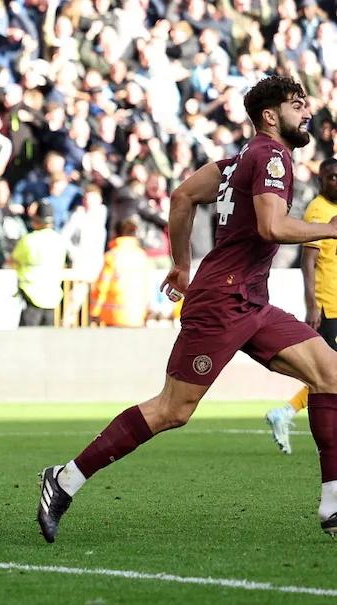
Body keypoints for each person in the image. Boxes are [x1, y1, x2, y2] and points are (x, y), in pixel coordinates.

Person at [36, 75, 337, 542]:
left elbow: (182, 196)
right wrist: (331, 230)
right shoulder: (270, 154)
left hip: (250, 300)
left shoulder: (239, 159)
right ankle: (64, 479)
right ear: (270, 116)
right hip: (223, 301)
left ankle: (333, 505)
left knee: (329, 374)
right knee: (172, 410)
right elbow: (272, 226)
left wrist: (181, 266)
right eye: (297, 104)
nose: (307, 111)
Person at [265, 156, 337, 454]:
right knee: (328, 372)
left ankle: (286, 412)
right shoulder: (318, 210)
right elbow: (308, 261)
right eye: (331, 176)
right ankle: (287, 412)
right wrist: (311, 305)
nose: (336, 180)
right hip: (328, 304)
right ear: (321, 180)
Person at [10, 201, 67, 327]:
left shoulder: (29, 240)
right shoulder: (60, 240)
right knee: (47, 342)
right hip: (52, 297)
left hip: (31, 295)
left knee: (26, 342)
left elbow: (12, 261)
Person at [90, 217, 152, 328]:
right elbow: (147, 285)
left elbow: (102, 286)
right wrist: (148, 310)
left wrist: (95, 311)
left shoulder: (112, 255)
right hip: (137, 315)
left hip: (114, 316)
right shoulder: (142, 256)